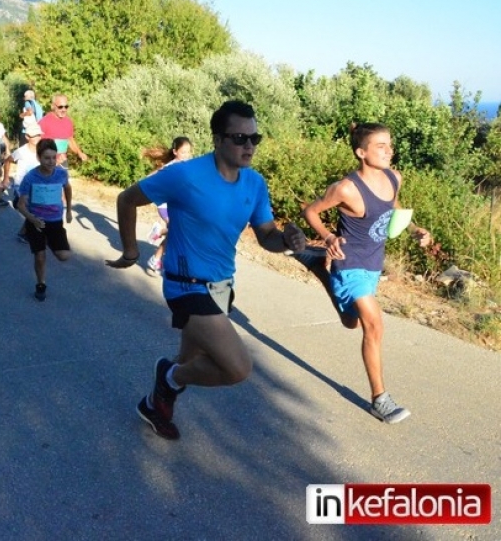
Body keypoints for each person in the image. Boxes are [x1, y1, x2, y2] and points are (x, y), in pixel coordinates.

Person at [106, 100, 308, 440]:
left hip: (222, 286)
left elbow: (267, 237)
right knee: (237, 368)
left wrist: (288, 239)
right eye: (239, 138)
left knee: (189, 358)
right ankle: (168, 379)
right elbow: (127, 199)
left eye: (254, 139)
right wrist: (130, 249)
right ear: (217, 139)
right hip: (185, 286)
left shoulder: (255, 184)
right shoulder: (185, 175)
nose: (248, 145)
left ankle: (155, 404)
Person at [300, 122, 432, 424]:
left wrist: (415, 231)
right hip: (350, 264)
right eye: (380, 146)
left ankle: (321, 270)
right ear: (361, 152)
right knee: (374, 325)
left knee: (351, 323)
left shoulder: (393, 177)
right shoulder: (346, 188)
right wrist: (329, 237)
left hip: (373, 262)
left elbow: (394, 210)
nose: (389, 150)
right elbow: (310, 211)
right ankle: (380, 400)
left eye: (390, 144)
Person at [17, 138, 73, 301]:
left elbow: (67, 188)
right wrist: (32, 220)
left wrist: (69, 210)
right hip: (36, 222)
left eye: (54, 158)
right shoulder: (30, 177)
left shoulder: (61, 173)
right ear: (39, 158)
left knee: (64, 256)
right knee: (40, 256)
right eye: (46, 158)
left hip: (55, 220)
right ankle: (41, 284)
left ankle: (48, 240)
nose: (51, 162)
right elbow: (20, 205)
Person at [142, 136, 194, 274]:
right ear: (175, 152)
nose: (186, 156)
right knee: (176, 231)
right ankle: (156, 258)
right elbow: (151, 177)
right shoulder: (170, 167)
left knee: (177, 231)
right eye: (183, 152)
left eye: (188, 152)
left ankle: (159, 233)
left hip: (177, 205)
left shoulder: (187, 165)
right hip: (165, 205)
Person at [3, 122, 43, 243]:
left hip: (37, 187)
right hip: (22, 187)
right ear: (27, 137)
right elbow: (8, 160)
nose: (36, 138)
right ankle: (27, 232)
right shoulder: (21, 151)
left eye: (38, 135)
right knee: (34, 209)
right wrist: (5, 178)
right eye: (33, 135)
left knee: (37, 209)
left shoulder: (42, 151)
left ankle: (24, 233)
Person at [38, 93, 88, 167]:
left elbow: (70, 140)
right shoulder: (44, 122)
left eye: (66, 107)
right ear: (53, 106)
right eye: (60, 107)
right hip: (48, 162)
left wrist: (79, 153)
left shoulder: (68, 122)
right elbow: (36, 142)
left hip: (63, 161)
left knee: (63, 178)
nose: (63, 109)